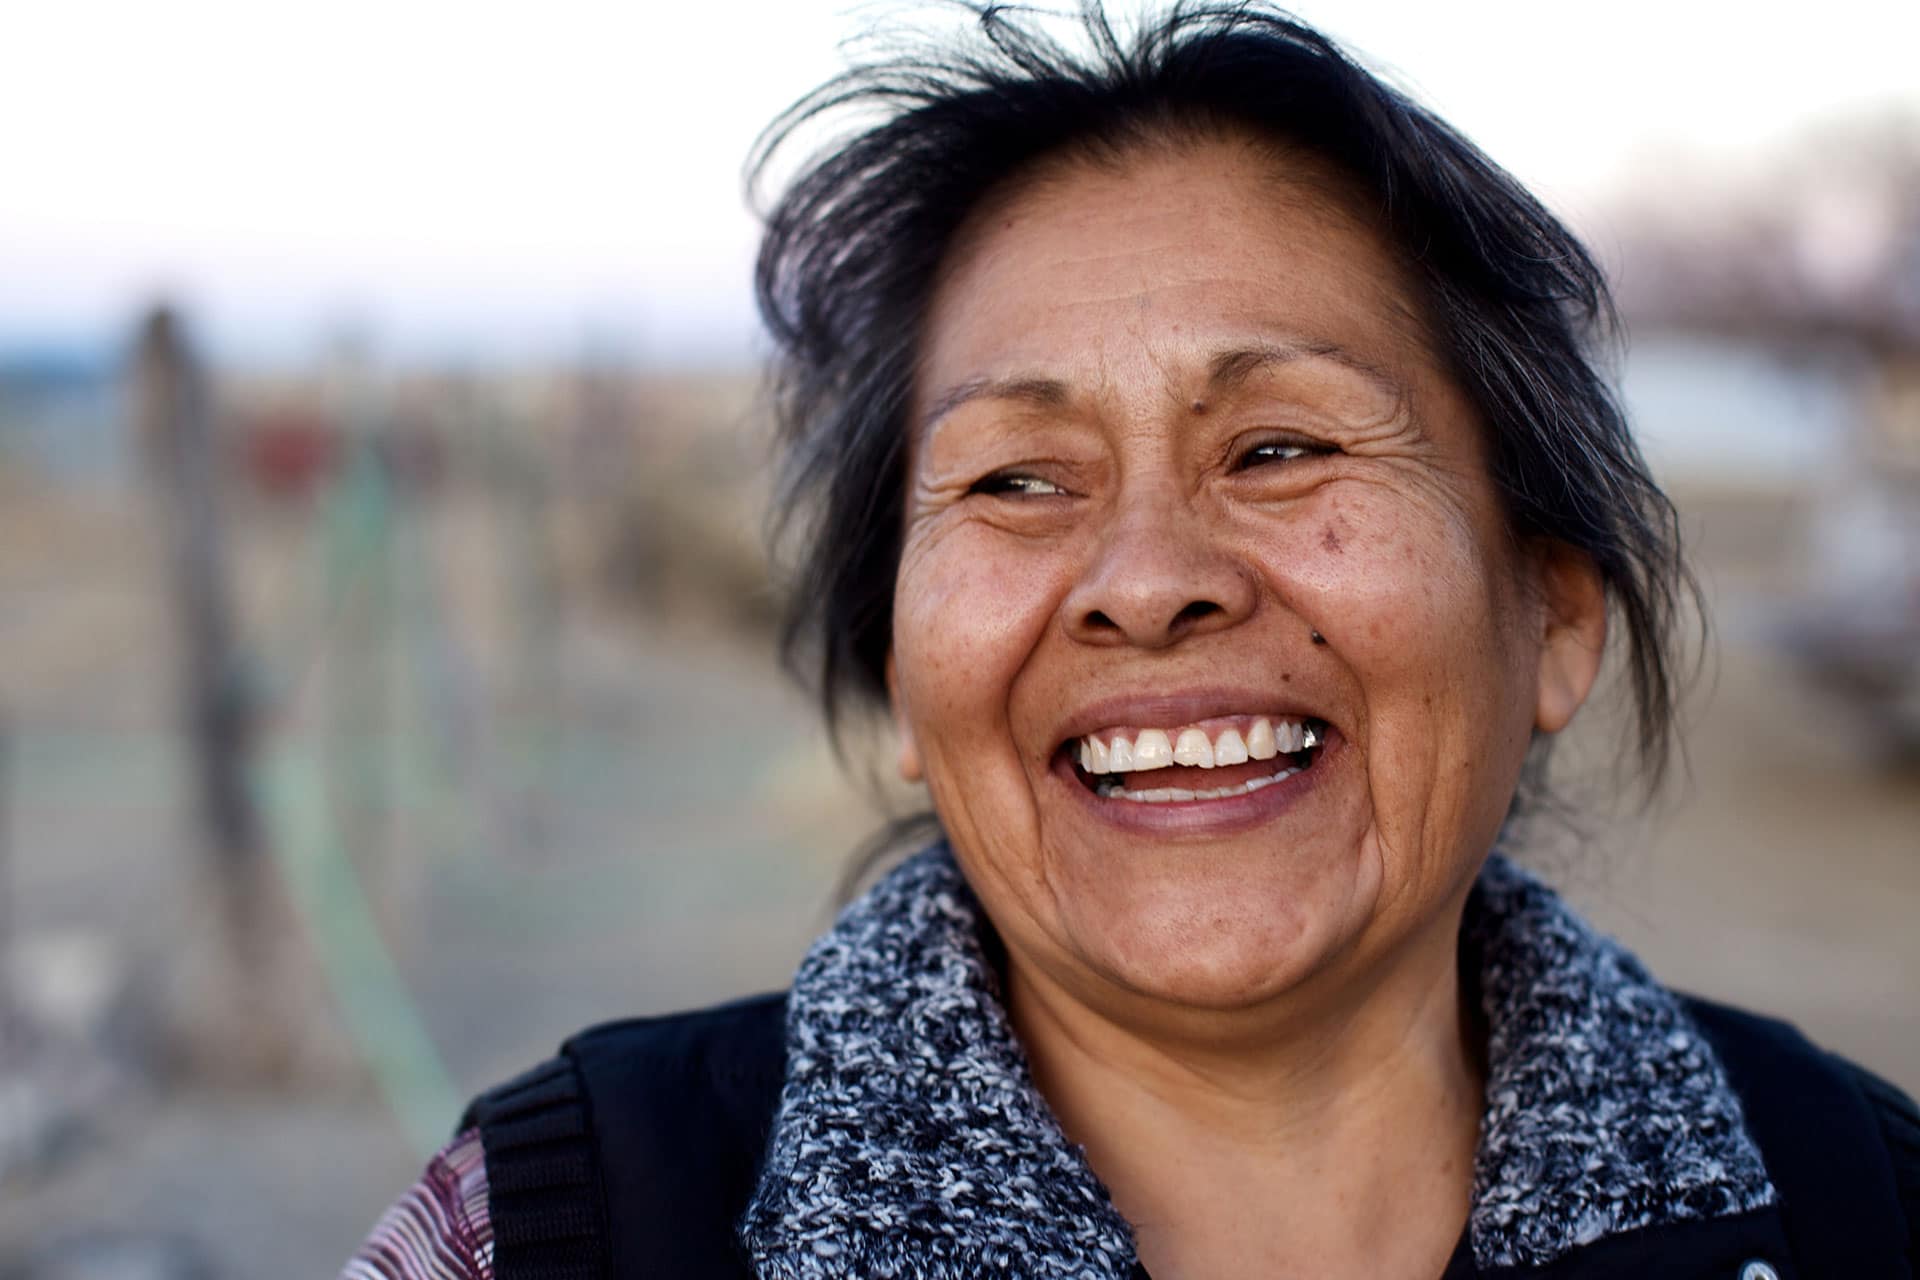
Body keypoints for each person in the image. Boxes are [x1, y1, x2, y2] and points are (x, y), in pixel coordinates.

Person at [343, 5, 1920, 1277]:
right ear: (903, 674)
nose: (1147, 581)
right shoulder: (549, 1230)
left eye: (1282, 448)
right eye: (1018, 480)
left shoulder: (1870, 1205)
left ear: (1554, 616)